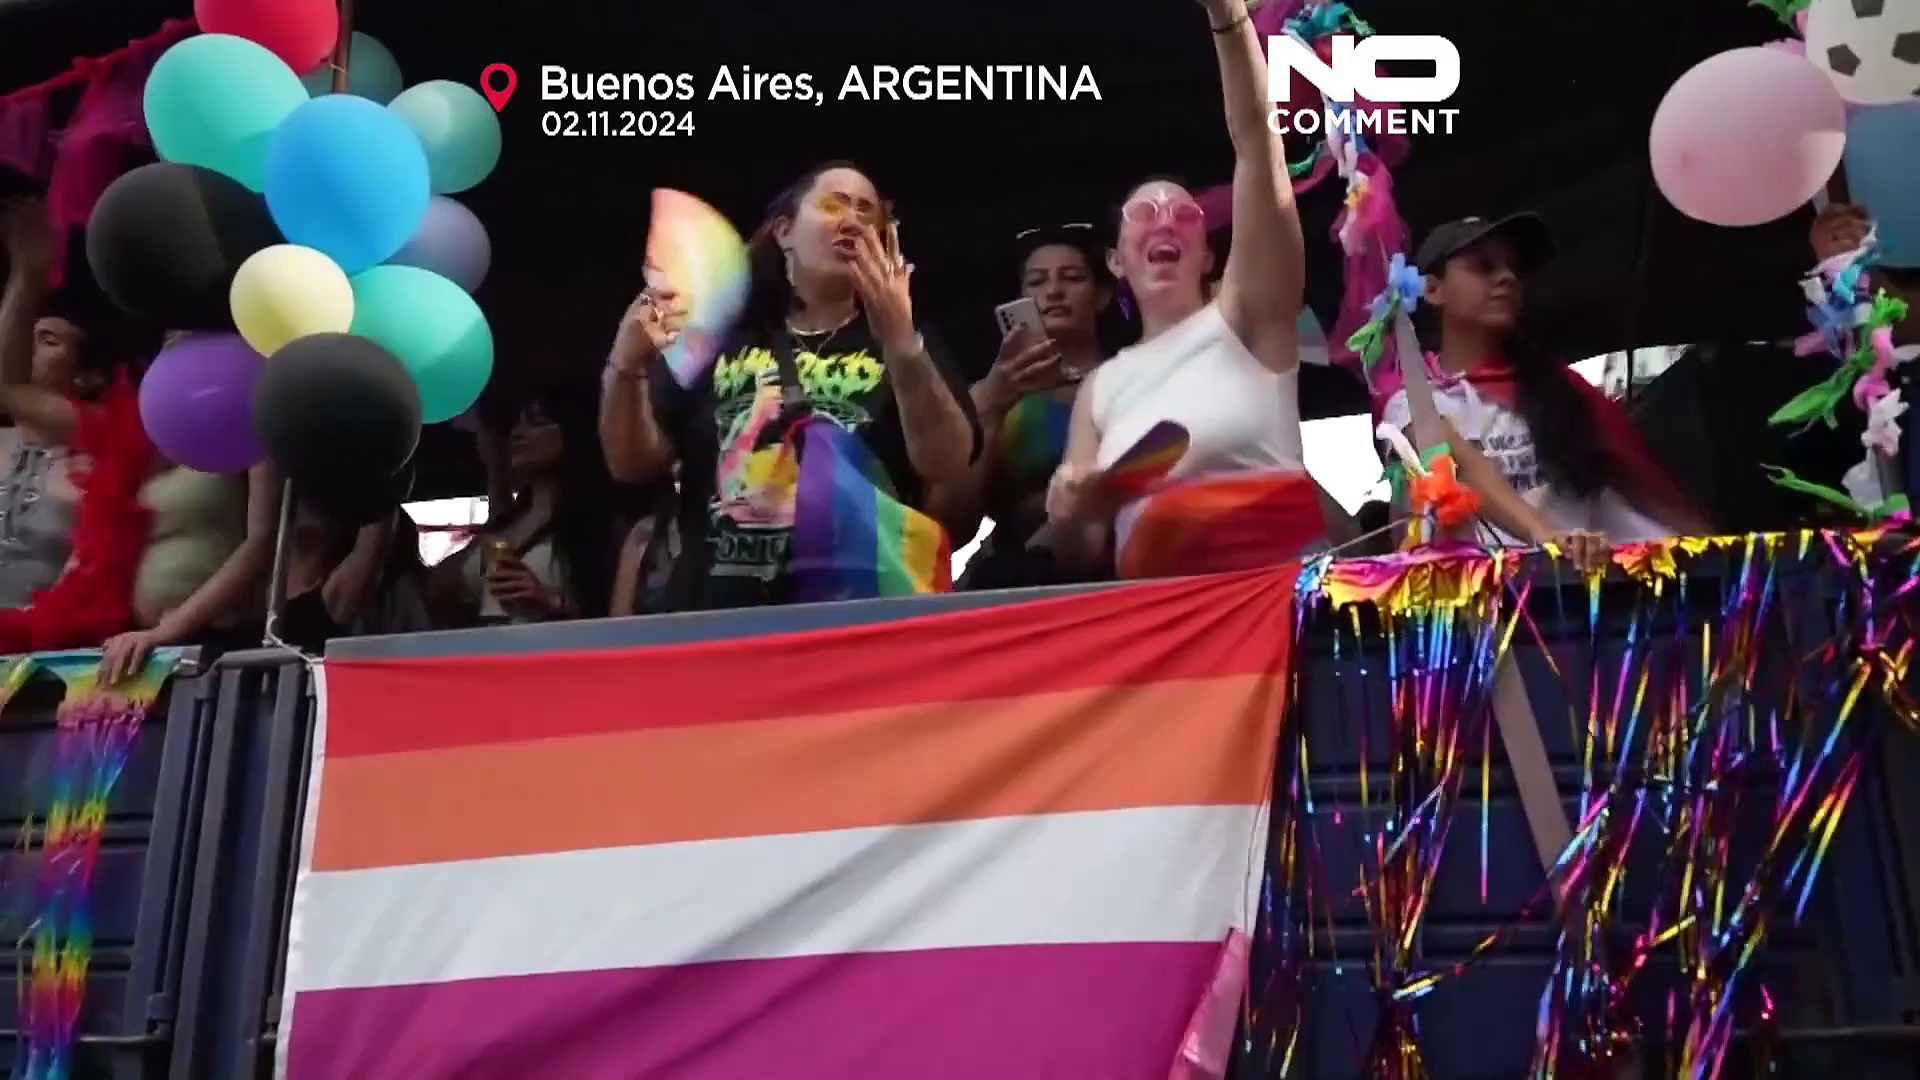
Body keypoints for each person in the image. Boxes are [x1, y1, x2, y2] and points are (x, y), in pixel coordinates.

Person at [1042, 0, 1342, 579]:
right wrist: (1070, 511)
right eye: (1143, 214)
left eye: (1184, 215)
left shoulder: (1249, 315)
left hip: (1277, 597)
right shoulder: (1099, 388)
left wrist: (1228, 18)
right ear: (1115, 260)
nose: (1165, 221)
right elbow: (1082, 549)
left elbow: (1257, 144)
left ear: (1208, 255)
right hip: (1169, 619)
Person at [599, 162, 979, 609]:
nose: (852, 221)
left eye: (866, 212)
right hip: (721, 617)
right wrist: (625, 365)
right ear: (784, 232)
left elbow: (946, 462)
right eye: (834, 204)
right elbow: (630, 465)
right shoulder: (720, 338)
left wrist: (900, 343)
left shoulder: (910, 344)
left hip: (858, 615)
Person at [1379, 213, 1707, 552]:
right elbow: (1462, 467)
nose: (1507, 277)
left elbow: (1644, 487)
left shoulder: (1562, 388)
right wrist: (1548, 536)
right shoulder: (1411, 400)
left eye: (1513, 269)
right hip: (1486, 581)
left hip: (1590, 576)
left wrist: (1724, 554)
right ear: (1433, 290)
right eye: (1485, 266)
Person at [931, 222, 1113, 589]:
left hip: (1119, 568)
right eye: (1037, 282)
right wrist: (991, 405)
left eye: (1073, 278)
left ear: (1102, 295)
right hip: (1020, 576)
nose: (1054, 291)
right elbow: (947, 526)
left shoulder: (1129, 376)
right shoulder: (993, 392)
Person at [434, 388, 619, 624]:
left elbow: (618, 614)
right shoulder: (506, 522)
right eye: (517, 422)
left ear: (571, 432)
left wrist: (552, 600)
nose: (517, 432)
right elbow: (438, 590)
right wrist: (496, 476)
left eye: (535, 421)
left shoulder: (594, 523)